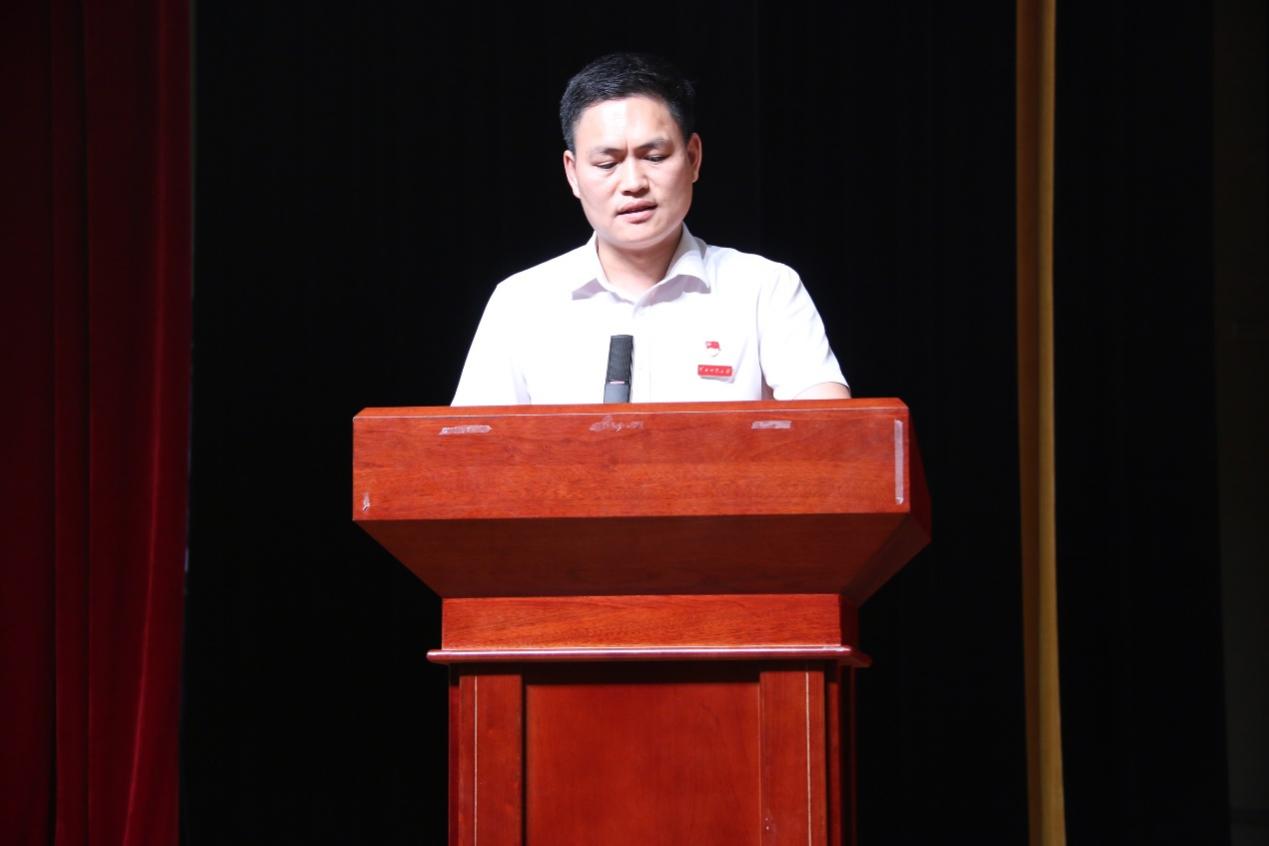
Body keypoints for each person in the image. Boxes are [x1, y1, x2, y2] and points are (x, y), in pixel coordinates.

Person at [452, 52, 850, 406]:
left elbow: (834, 435)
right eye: (607, 164)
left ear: (693, 158)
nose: (633, 183)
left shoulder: (765, 289)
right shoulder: (520, 303)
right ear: (572, 174)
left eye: (655, 156)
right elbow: (468, 450)